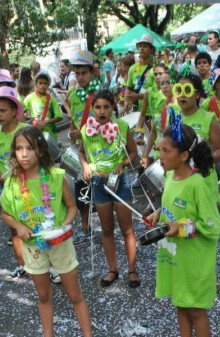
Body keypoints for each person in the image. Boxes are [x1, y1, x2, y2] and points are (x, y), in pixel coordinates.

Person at [0, 126, 92, 337]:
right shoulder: (12, 183)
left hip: (60, 243)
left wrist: (66, 225)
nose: (23, 154)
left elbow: (72, 207)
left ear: (40, 151)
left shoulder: (55, 177)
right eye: (19, 148)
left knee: (74, 294)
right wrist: (18, 226)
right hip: (33, 248)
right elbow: (5, 214)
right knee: (43, 296)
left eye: (29, 148)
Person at [148, 123, 220, 337]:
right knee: (180, 304)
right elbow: (176, 205)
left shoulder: (197, 184)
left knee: (196, 311)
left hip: (193, 263)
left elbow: (212, 225)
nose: (159, 155)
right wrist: (159, 213)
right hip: (175, 258)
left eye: (165, 151)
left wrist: (179, 227)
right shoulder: (170, 176)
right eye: (159, 149)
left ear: (183, 155)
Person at [79, 89, 140, 288]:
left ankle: (132, 270)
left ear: (113, 107)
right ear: (93, 109)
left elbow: (133, 152)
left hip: (119, 183)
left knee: (127, 229)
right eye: (98, 107)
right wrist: (85, 165)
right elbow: (81, 153)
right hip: (98, 184)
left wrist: (122, 164)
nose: (102, 111)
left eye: (106, 106)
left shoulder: (121, 126)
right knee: (106, 229)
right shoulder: (86, 130)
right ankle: (113, 269)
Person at [0, 87, 27, 280]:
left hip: (29, 185)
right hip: (7, 189)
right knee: (14, 228)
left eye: (3, 111)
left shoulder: (25, 130)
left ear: (14, 111)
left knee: (35, 222)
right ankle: (22, 265)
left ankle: (46, 265)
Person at [63, 50, 101, 244]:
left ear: (92, 72)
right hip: (81, 150)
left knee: (101, 189)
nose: (80, 77)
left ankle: (106, 227)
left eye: (83, 73)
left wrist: (85, 132)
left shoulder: (99, 93)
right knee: (81, 190)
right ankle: (85, 228)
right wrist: (72, 133)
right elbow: (75, 118)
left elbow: (107, 122)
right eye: (76, 74)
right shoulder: (73, 94)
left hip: (98, 150)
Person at [174, 73, 220, 203]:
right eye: (179, 90)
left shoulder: (208, 119)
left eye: (187, 90)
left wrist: (202, 161)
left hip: (204, 183)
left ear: (197, 94)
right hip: (180, 185)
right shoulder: (174, 119)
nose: (182, 95)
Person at [24, 72, 62, 140]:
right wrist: (27, 117)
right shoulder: (29, 98)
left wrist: (45, 122)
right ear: (36, 85)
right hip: (35, 133)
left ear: (48, 85)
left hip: (50, 135)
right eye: (40, 83)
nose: (43, 85)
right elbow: (21, 112)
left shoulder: (52, 99)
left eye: (45, 83)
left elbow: (59, 117)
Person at [125, 34, 155, 116]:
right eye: (140, 46)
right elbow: (129, 89)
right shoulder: (132, 68)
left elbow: (157, 93)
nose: (141, 48)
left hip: (152, 113)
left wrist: (137, 96)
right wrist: (127, 101)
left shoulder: (156, 69)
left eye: (145, 46)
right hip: (136, 114)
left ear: (151, 49)